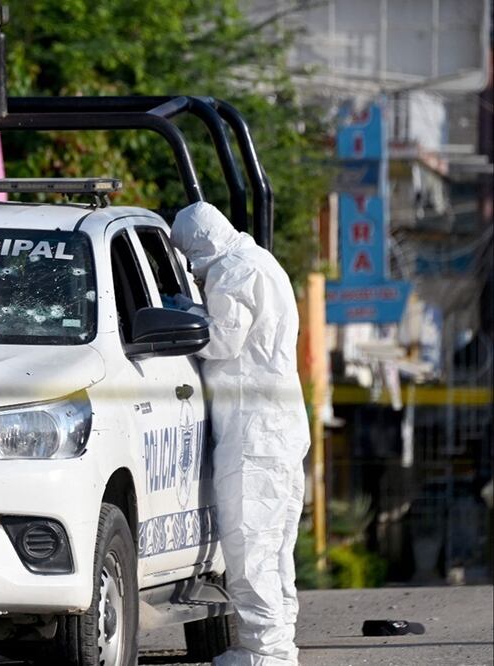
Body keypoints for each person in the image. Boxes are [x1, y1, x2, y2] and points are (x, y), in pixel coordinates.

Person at [169, 202, 310, 666]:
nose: (192, 266)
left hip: (255, 432)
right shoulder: (261, 261)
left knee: (250, 545)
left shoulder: (232, 272)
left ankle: (263, 651)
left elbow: (222, 340)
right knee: (274, 547)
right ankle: (277, 646)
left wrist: (177, 315)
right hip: (280, 426)